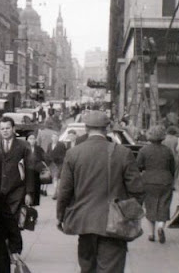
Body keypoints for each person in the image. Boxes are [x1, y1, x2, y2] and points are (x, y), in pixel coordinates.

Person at [56, 110, 144, 273]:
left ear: (87, 128)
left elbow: (65, 191)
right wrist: (128, 215)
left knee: (87, 268)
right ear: (107, 128)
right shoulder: (122, 153)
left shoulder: (73, 153)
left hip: (84, 223)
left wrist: (61, 216)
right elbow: (137, 191)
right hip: (113, 225)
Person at [136, 125, 176, 244]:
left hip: (149, 181)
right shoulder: (167, 150)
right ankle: (160, 227)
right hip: (165, 180)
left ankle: (151, 234)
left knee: (150, 205)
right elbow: (172, 167)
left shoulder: (144, 150)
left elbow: (138, 166)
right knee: (164, 204)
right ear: (162, 137)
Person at [0, 116, 34, 215]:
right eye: (2, 129)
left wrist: (29, 193)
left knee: (14, 224)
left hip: (17, 192)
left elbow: (30, 170)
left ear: (13, 129)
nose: (5, 131)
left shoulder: (23, 146)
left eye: (8, 128)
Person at [27, 134, 47, 206]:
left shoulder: (39, 149)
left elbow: (46, 158)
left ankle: (33, 209)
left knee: (36, 191)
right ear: (27, 140)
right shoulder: (24, 148)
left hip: (36, 173)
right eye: (30, 138)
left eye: (33, 138)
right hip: (27, 173)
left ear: (35, 140)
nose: (32, 140)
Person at [46, 132, 67, 200]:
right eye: (53, 137)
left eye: (56, 137)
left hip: (59, 164)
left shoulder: (61, 145)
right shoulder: (49, 145)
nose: (54, 138)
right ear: (51, 138)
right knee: (55, 179)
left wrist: (58, 159)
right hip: (52, 164)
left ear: (58, 138)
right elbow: (47, 153)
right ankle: (57, 193)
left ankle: (56, 193)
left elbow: (64, 154)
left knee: (56, 178)